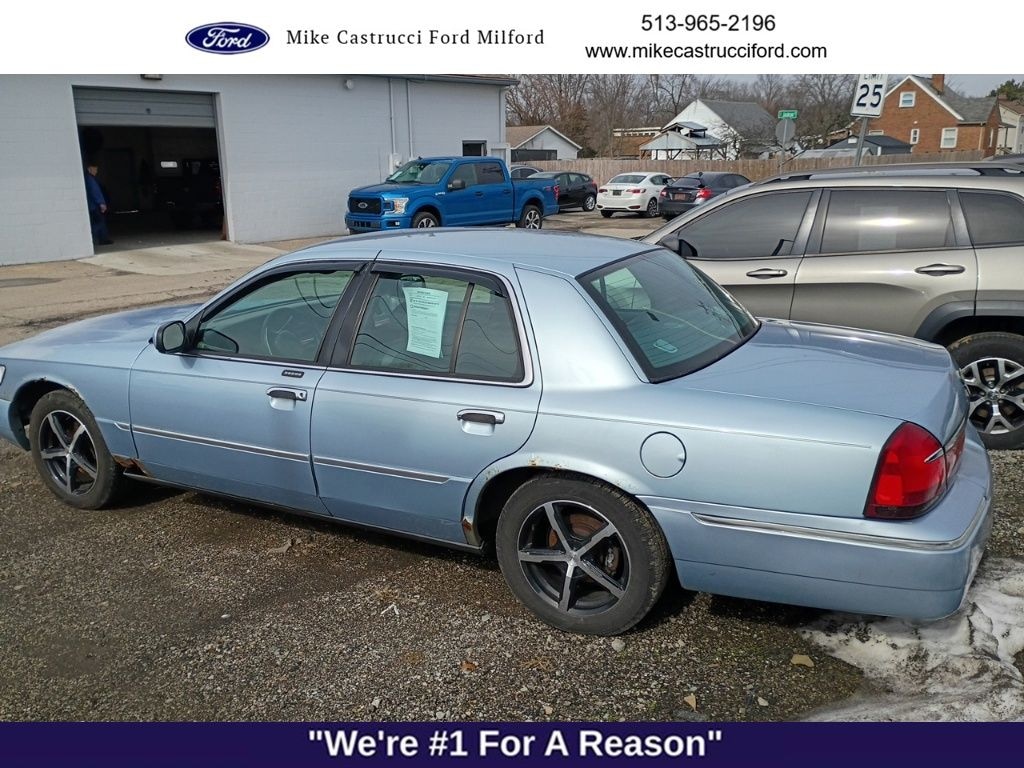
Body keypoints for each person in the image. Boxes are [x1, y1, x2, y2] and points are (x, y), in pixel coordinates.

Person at [84, 162, 113, 245]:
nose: (96, 171)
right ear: (89, 169)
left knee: (98, 222)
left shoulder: (88, 179)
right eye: (95, 169)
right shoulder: (90, 180)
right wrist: (101, 203)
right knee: (98, 223)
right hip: (94, 206)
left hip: (92, 206)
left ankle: (102, 239)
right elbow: (95, 192)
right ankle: (97, 239)